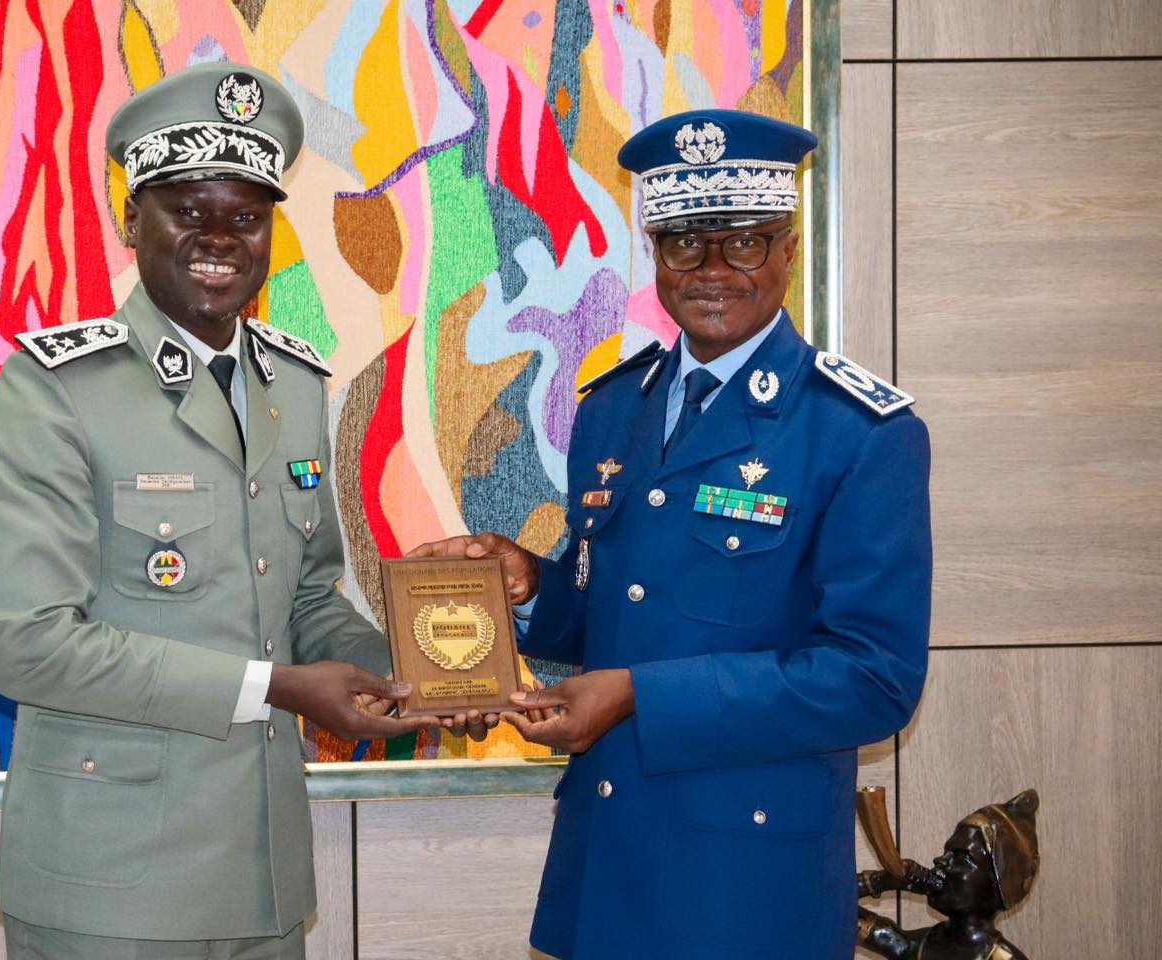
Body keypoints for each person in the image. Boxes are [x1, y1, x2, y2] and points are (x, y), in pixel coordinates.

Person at [414, 109, 933, 959]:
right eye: (686, 242)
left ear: (789, 248)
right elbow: (611, 613)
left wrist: (636, 697)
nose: (714, 269)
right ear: (654, 252)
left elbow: (875, 682)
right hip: (606, 858)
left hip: (749, 890)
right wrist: (531, 585)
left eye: (746, 242)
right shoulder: (613, 409)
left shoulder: (859, 432)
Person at [0, 62, 435, 960]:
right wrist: (278, 689)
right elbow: (29, 644)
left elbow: (306, 595)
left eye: (247, 217)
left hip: (261, 879)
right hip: (110, 886)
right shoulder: (56, 388)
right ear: (130, 217)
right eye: (188, 211)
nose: (220, 238)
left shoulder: (293, 383)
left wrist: (411, 675)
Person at [857, 789, 1040, 959]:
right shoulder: (917, 947)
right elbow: (837, 911)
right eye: (947, 853)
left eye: (962, 858)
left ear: (999, 885)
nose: (941, 860)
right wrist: (882, 881)